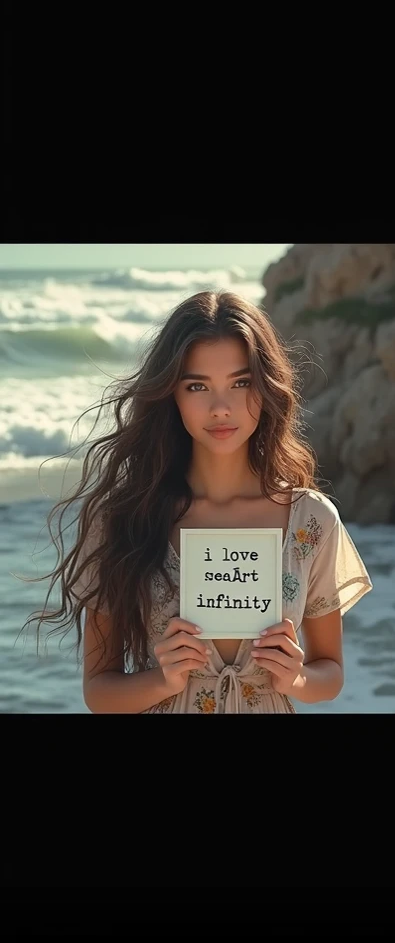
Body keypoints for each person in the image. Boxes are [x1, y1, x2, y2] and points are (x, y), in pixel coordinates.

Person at [25, 290, 373, 714]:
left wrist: (295, 676)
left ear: (265, 388)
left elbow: (330, 673)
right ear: (172, 395)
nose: (221, 407)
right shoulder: (122, 519)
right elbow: (99, 692)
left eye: (241, 382)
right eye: (197, 386)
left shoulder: (311, 520)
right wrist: (163, 678)